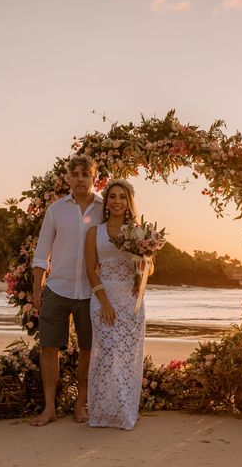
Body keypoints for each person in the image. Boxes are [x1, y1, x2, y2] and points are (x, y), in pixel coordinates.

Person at [30, 155, 103, 426]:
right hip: (57, 289)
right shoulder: (55, 210)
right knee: (49, 348)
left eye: (86, 174)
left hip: (91, 292)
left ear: (94, 178)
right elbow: (41, 253)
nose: (81, 178)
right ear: (68, 178)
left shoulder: (104, 208)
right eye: (76, 174)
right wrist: (38, 288)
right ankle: (49, 408)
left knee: (88, 349)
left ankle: (80, 405)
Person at [85, 179, 152, 430]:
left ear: (129, 202)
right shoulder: (95, 232)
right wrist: (104, 302)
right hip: (104, 298)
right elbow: (91, 271)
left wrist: (143, 269)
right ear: (106, 201)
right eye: (112, 196)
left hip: (132, 300)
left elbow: (149, 265)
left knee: (126, 357)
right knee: (105, 355)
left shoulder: (139, 233)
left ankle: (124, 412)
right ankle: (101, 413)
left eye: (122, 197)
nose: (117, 201)